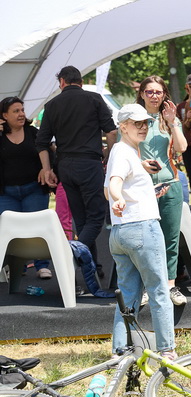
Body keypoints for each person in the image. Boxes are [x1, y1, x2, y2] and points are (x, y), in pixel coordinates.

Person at [105, 104, 175, 359]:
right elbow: (113, 185)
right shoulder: (123, 152)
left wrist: (145, 194)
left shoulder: (122, 152)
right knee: (159, 291)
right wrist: (118, 198)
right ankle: (167, 350)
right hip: (141, 228)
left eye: (145, 122)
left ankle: (120, 351)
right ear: (123, 126)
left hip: (121, 232)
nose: (143, 127)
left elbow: (111, 187)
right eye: (137, 123)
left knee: (128, 295)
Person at [36, 65, 117, 270]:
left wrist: (47, 169)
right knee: (96, 217)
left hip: (65, 166)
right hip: (89, 163)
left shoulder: (52, 105)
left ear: (62, 82)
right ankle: (72, 252)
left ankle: (92, 266)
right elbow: (112, 132)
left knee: (81, 219)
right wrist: (108, 154)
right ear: (80, 81)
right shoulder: (94, 99)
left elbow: (42, 142)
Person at [136, 76, 188, 306]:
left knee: (170, 238)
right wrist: (141, 165)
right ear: (142, 94)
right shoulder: (133, 119)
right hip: (142, 187)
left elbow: (182, 148)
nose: (154, 96)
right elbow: (124, 153)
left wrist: (173, 122)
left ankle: (170, 285)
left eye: (158, 92)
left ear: (164, 94)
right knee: (145, 240)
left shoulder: (169, 119)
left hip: (170, 184)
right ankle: (148, 286)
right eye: (149, 92)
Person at [0, 97, 51, 279]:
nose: (21, 114)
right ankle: (16, 266)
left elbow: (47, 151)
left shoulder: (33, 133)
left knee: (37, 229)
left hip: (33, 190)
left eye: (22, 110)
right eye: (16, 111)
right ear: (4, 115)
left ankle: (42, 265)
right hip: (7, 193)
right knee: (12, 232)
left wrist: (45, 168)